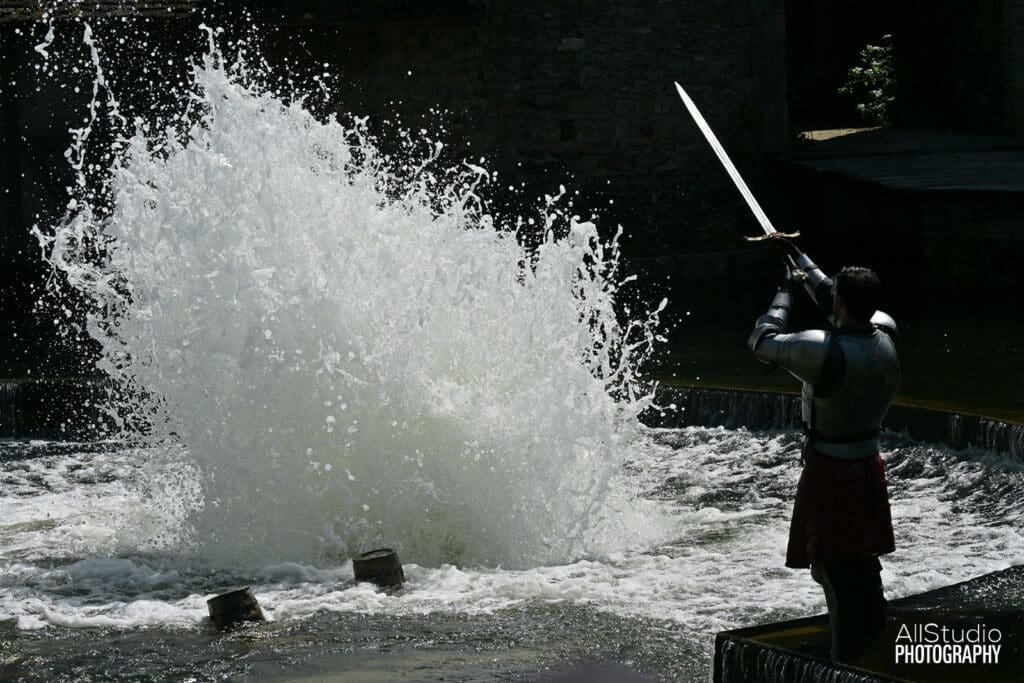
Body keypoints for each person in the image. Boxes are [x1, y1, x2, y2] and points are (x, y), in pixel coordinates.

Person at [747, 245, 900, 662]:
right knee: (863, 561)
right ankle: (871, 646)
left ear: (842, 302)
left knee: (831, 567)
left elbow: (761, 341)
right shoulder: (887, 331)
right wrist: (799, 258)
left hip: (831, 471)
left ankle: (844, 660)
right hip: (868, 464)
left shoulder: (821, 351)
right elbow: (839, 299)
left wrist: (784, 291)